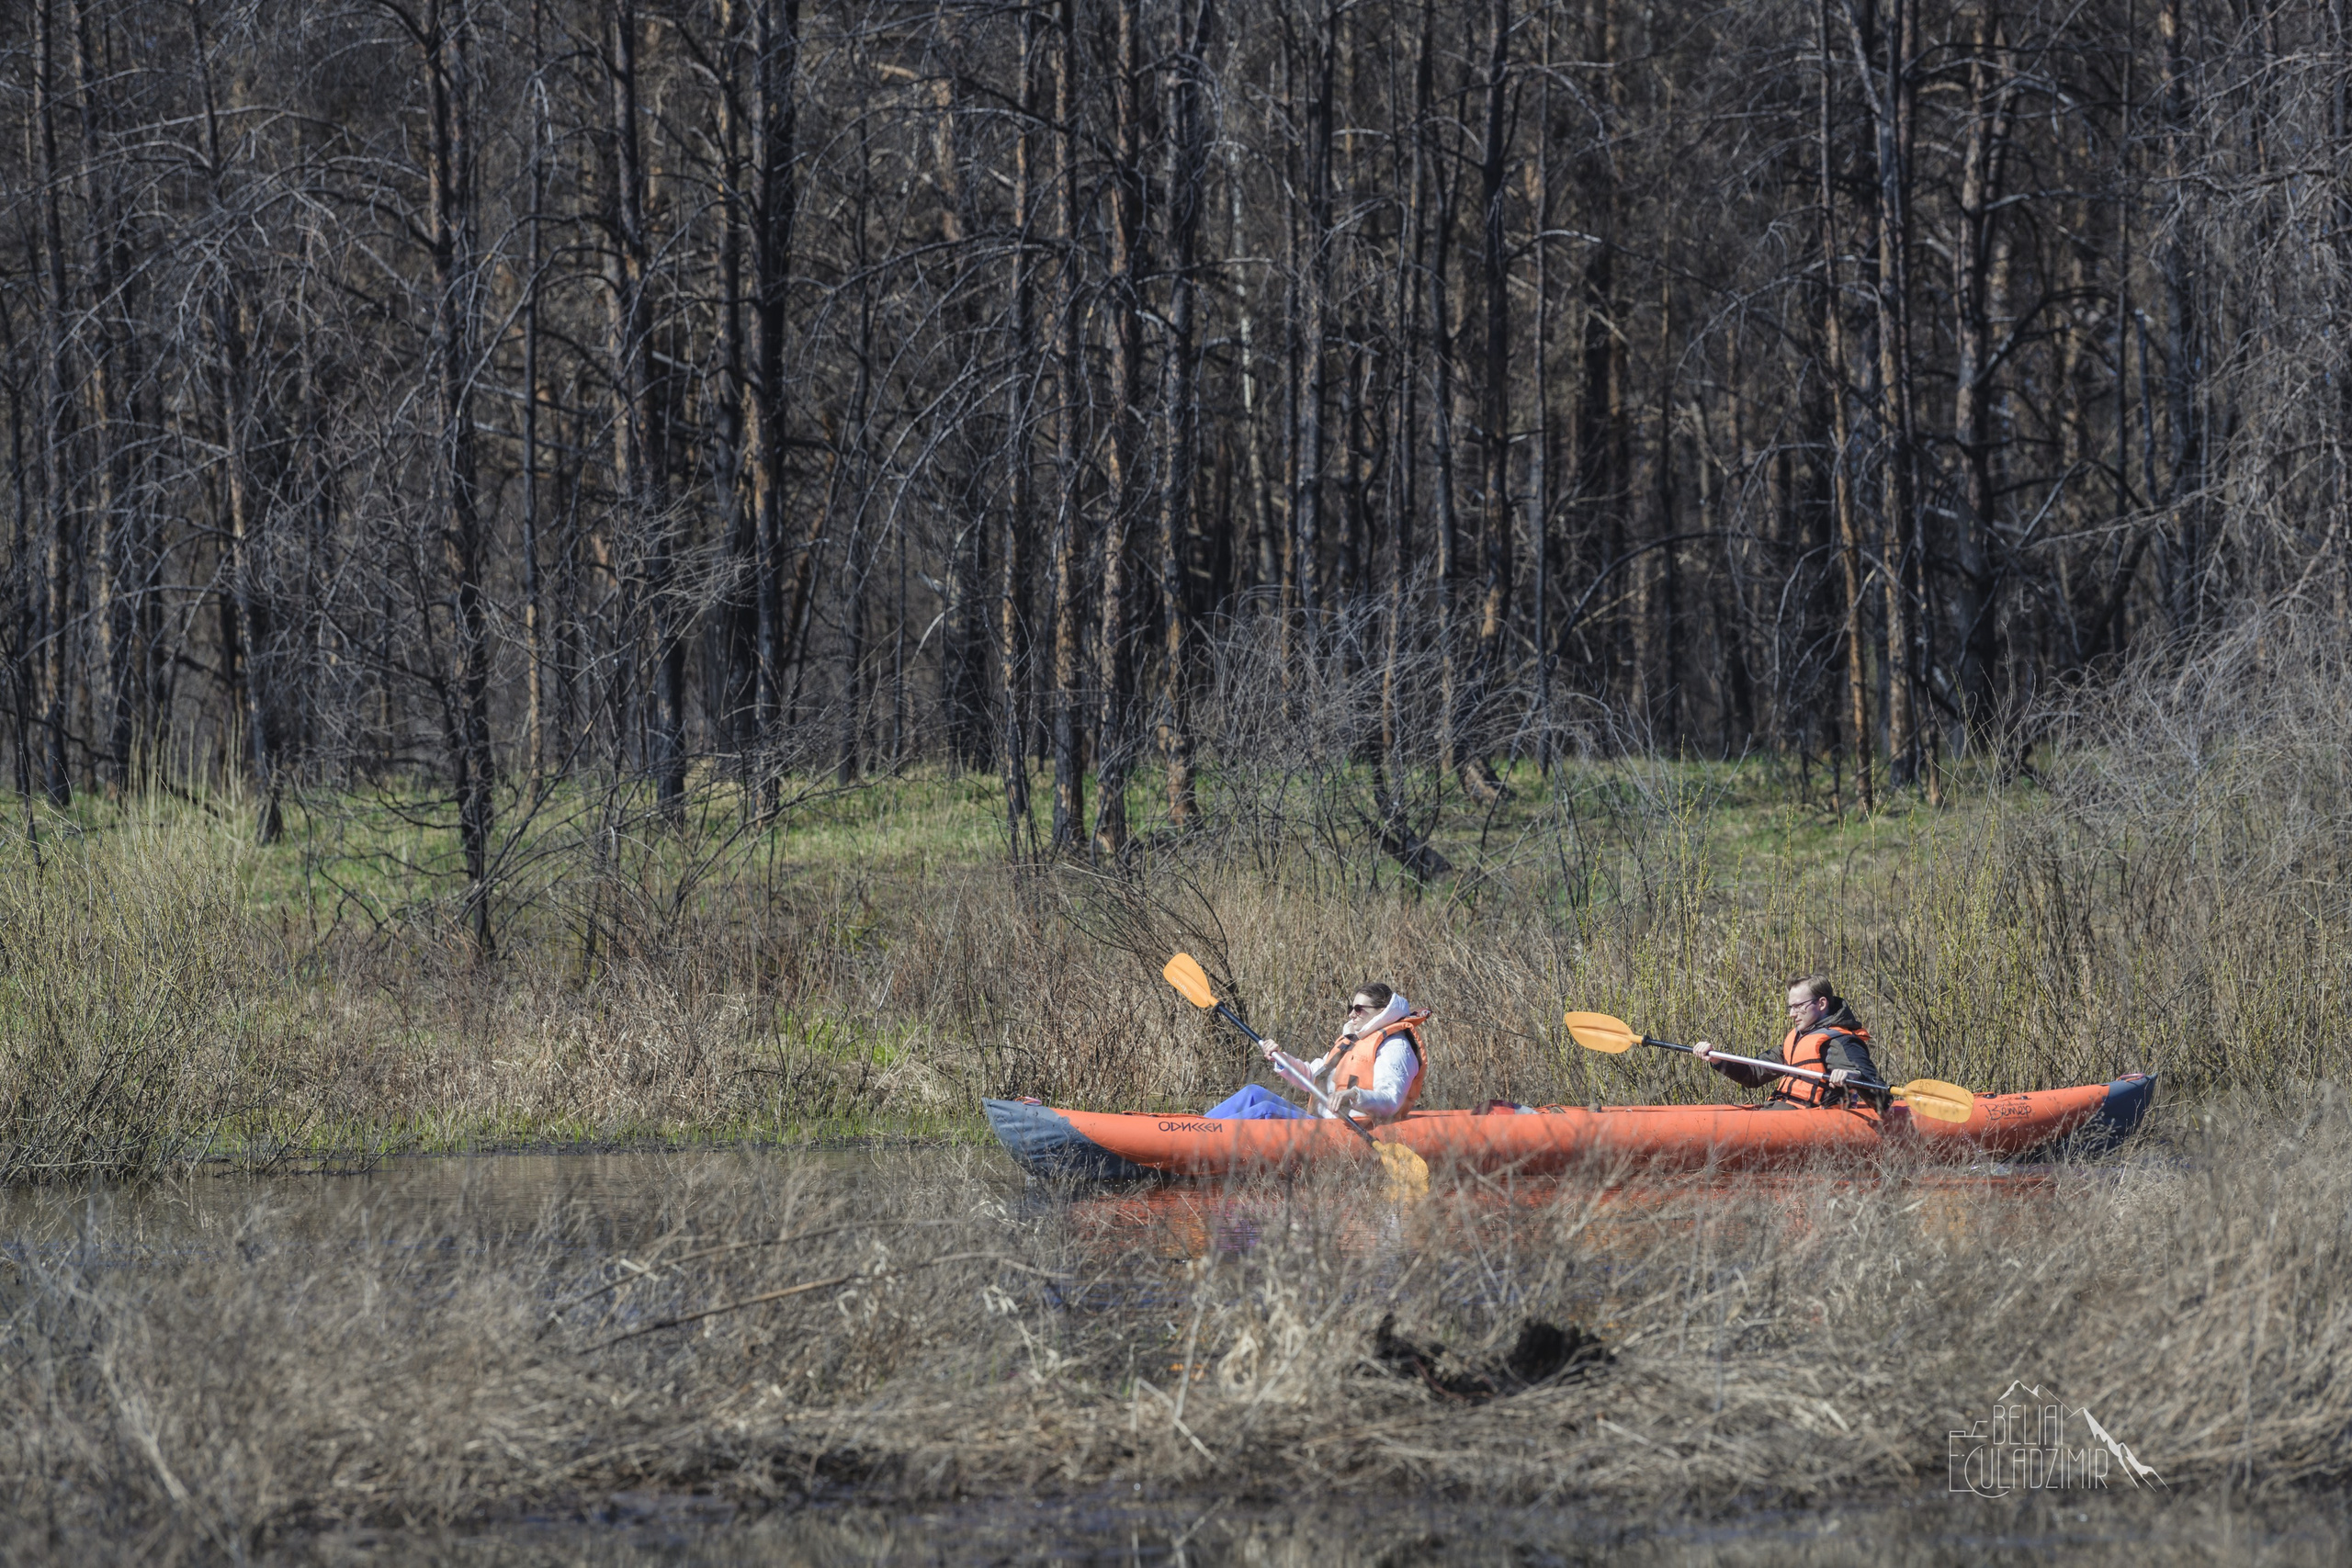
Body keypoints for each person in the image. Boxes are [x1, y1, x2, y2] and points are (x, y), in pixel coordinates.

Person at [1204, 983, 1429, 1123]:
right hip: (1321, 1121)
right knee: (1252, 1093)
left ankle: (1198, 1142)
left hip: (1344, 1129)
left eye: (1359, 1009)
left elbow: (1390, 1100)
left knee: (1265, 1110)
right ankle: (1192, 1127)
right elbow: (1313, 1075)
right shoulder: (1351, 1040)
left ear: (1382, 1011)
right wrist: (1281, 1058)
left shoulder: (1395, 1047)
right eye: (1351, 1008)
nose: (1351, 1014)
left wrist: (1353, 1095)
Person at [1691, 975, 1887, 1111]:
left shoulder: (1841, 1042)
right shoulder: (1798, 1038)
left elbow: (1881, 1098)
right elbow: (1754, 1074)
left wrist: (1852, 1075)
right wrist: (1717, 1060)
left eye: (1798, 1006)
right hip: (1781, 1110)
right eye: (1790, 1007)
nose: (1791, 1014)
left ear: (1821, 1004)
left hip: (1810, 1120)